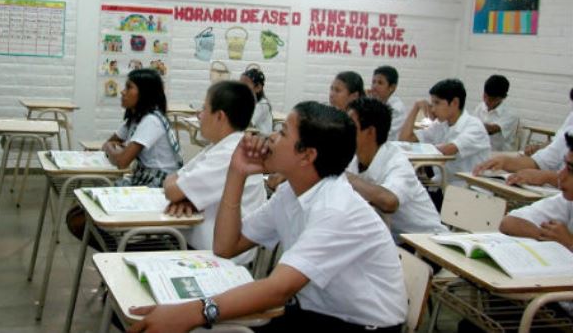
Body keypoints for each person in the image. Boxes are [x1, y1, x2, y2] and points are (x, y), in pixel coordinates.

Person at [128, 102, 406, 333]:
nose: (271, 137)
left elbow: (277, 290)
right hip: (315, 312)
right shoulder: (291, 192)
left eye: (283, 133)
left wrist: (193, 312)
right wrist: (237, 172)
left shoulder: (336, 211)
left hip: (360, 325)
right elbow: (226, 246)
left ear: (307, 156)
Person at [67, 69, 182, 242]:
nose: (122, 92)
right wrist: (111, 147)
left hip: (159, 185)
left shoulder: (152, 120)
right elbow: (112, 143)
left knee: (79, 219)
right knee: (78, 213)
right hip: (142, 178)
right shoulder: (135, 118)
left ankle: (125, 246)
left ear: (144, 93)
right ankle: (120, 244)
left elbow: (121, 161)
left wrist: (110, 148)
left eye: (129, 87)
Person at [163, 81, 266, 264]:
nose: (199, 115)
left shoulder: (229, 154)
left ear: (219, 116)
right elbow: (171, 182)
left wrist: (183, 195)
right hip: (200, 247)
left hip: (216, 259)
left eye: (204, 108)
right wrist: (185, 197)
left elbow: (172, 189)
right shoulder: (219, 147)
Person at [345, 98, 448, 243]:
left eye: (350, 126)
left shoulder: (397, 161)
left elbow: (389, 202)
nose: (344, 131)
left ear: (370, 132)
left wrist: (347, 177)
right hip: (393, 238)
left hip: (427, 243)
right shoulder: (354, 158)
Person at [400, 79, 491, 186]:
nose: (432, 109)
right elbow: (405, 139)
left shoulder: (474, 126)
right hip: (443, 184)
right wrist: (415, 108)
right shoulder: (441, 124)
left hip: (468, 188)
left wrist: (415, 149)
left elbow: (448, 150)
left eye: (437, 103)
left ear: (455, 103)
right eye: (432, 103)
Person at [500, 131, 573, 250]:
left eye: (571, 170)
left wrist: (569, 244)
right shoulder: (568, 202)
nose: (561, 176)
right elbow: (509, 222)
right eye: (565, 166)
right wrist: (551, 237)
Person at [473, 75, 518, 151]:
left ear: (503, 97)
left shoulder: (511, 114)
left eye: (492, 100)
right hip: (479, 150)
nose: (487, 101)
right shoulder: (480, 107)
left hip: (499, 154)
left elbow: (490, 130)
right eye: (485, 96)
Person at [369, 65, 405, 140]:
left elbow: (386, 134)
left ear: (392, 88)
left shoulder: (396, 108)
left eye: (380, 83)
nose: (374, 86)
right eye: (373, 82)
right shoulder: (373, 101)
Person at [240, 68, 273, 135]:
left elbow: (247, 124)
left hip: (262, 139)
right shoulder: (246, 102)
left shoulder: (262, 105)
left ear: (258, 88)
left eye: (245, 84)